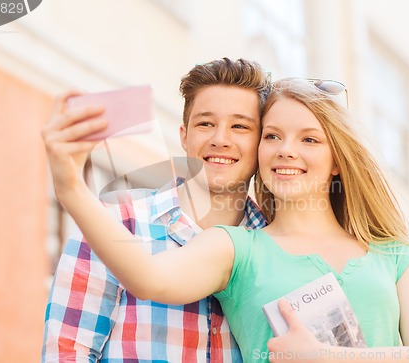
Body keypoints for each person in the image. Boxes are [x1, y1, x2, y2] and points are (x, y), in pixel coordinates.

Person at [45, 77, 409, 363]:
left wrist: (326, 357)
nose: (285, 150)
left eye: (309, 139)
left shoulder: (394, 255)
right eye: (273, 136)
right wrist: (72, 190)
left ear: (337, 163)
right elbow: (150, 278)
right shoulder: (238, 246)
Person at [41, 57, 272, 362]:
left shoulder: (276, 243)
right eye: (206, 123)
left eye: (240, 126)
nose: (220, 139)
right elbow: (68, 353)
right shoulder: (115, 221)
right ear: (184, 136)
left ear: (262, 142)